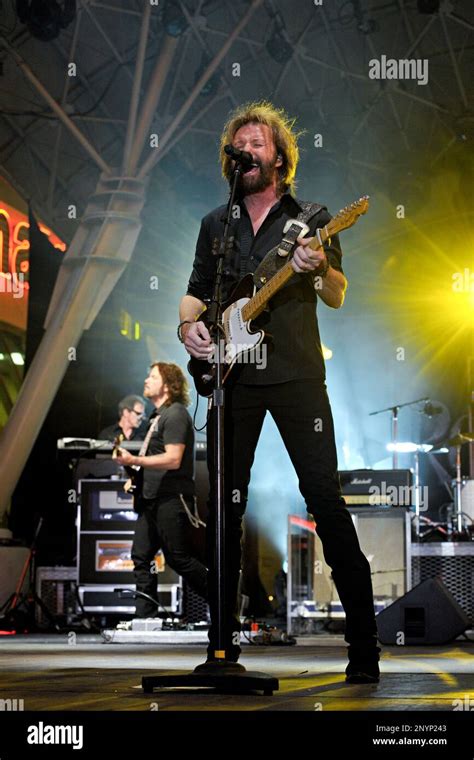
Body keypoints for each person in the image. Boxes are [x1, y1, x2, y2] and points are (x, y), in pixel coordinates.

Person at [178, 101, 380, 682]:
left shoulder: (311, 218)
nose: (245, 149)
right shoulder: (216, 223)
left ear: (280, 159)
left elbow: (338, 294)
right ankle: (223, 647)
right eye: (237, 142)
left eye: (256, 142)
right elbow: (196, 292)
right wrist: (188, 327)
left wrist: (316, 267)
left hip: (294, 377)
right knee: (225, 508)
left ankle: (363, 647)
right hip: (232, 378)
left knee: (325, 501)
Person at [115, 362, 207, 618]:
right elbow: (155, 459)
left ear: (167, 385)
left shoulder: (175, 413)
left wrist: (134, 461)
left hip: (171, 497)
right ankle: (145, 617)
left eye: (152, 376)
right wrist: (135, 477)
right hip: (150, 498)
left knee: (178, 558)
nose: (146, 380)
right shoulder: (157, 417)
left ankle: (223, 598)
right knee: (140, 555)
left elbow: (173, 458)